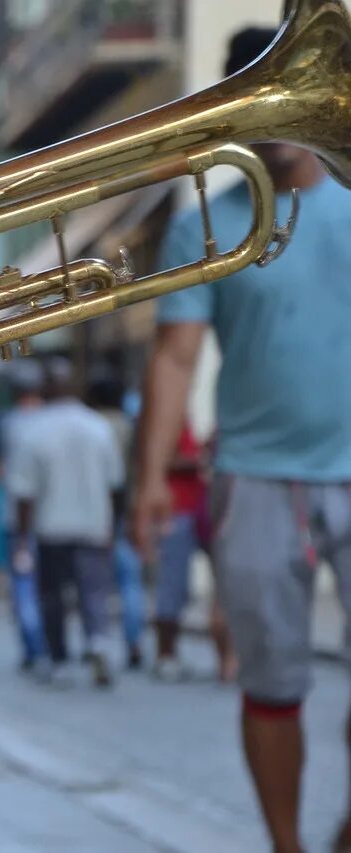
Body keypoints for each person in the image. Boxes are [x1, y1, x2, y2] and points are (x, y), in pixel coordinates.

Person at [132, 26, 351, 853]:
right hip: (255, 478)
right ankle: (286, 844)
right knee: (271, 685)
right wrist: (152, 476)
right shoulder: (205, 225)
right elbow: (175, 355)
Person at [7, 357, 124, 688]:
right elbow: (115, 483)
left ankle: (59, 661)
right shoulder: (97, 427)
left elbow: (24, 492)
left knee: (53, 596)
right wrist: (112, 525)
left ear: (46, 387)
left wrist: (21, 538)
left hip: (52, 527)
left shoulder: (34, 430)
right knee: (94, 590)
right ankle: (97, 642)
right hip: (93, 524)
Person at [0, 360, 48, 671]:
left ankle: (33, 648)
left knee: (23, 584)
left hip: (14, 515)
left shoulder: (4, 423)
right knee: (47, 585)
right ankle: (48, 646)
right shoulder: (53, 421)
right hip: (52, 517)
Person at [85, 369, 147, 670]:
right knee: (130, 581)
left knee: (96, 585)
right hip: (126, 509)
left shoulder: (90, 426)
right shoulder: (129, 426)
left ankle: (98, 642)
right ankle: (133, 641)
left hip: (96, 512)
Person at [148, 423, 207, 681]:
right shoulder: (166, 423)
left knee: (179, 588)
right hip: (175, 512)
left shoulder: (187, 425)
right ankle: (165, 654)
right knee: (171, 585)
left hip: (197, 510)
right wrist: (199, 460)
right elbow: (157, 461)